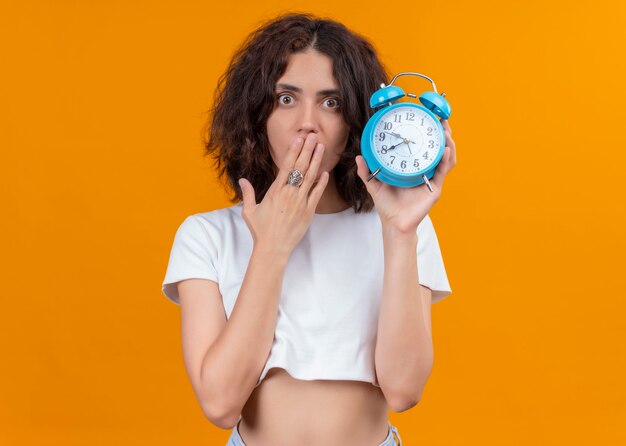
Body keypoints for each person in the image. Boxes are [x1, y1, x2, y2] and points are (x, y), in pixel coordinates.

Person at [162, 12, 456, 446]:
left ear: (357, 123)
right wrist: (273, 247)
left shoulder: (403, 229)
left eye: (331, 102)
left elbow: (404, 389)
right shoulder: (206, 236)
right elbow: (220, 404)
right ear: (256, 116)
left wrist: (400, 233)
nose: (308, 122)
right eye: (286, 98)